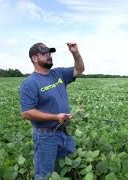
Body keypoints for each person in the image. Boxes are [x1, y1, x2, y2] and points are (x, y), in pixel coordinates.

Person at [19, 42, 84, 179]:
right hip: (46, 136)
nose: (49, 56)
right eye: (45, 54)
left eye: (50, 53)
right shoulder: (30, 83)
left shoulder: (58, 73)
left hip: (66, 132)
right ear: (35, 58)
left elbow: (79, 69)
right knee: (45, 175)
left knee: (64, 170)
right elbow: (26, 112)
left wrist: (75, 53)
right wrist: (55, 117)